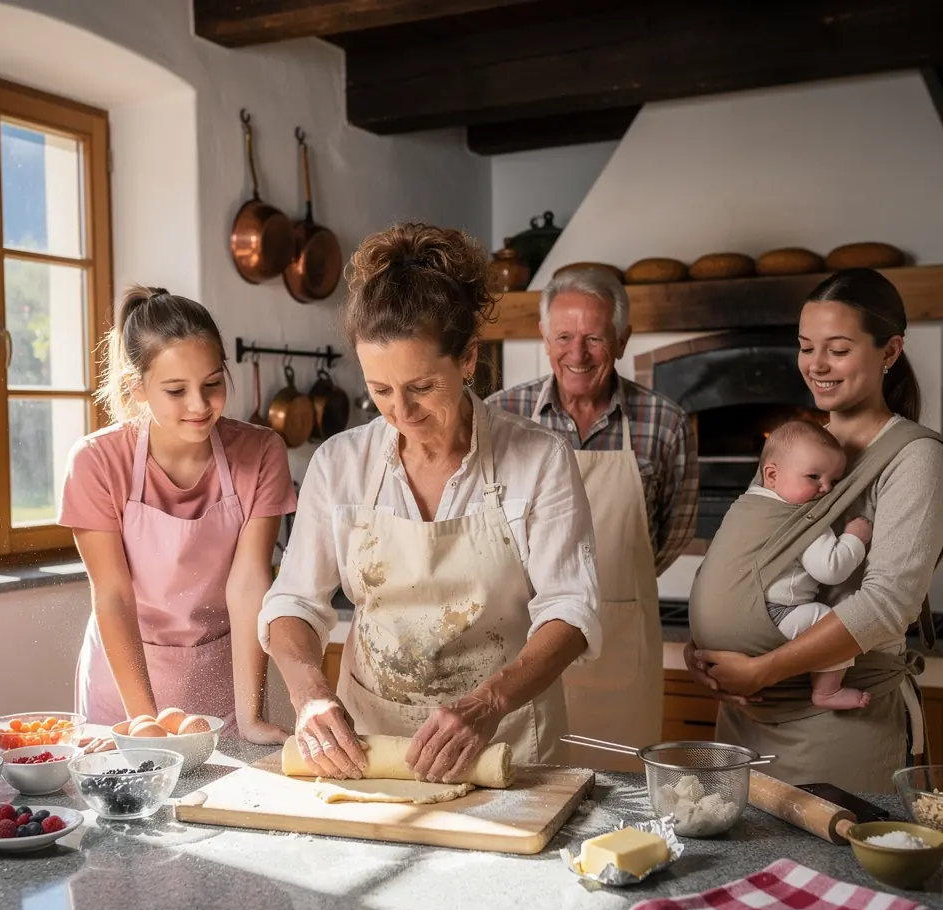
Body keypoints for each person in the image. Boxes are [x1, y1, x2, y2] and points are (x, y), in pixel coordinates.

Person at [259, 223, 601, 782]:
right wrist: (310, 695)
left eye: (421, 387)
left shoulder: (538, 459)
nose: (402, 411)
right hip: (370, 751)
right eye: (381, 391)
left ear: (467, 358)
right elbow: (293, 601)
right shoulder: (340, 464)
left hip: (504, 747)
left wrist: (488, 703)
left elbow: (571, 609)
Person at [685, 268, 943, 791]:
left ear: (889, 353)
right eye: (806, 347)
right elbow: (747, 557)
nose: (816, 365)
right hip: (743, 720)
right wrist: (705, 648)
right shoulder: (797, 448)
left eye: (838, 349)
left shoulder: (914, 457)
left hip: (839, 726)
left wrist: (763, 670)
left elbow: (887, 604)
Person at [59, 286, 296, 744]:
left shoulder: (261, 452)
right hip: (124, 691)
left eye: (213, 384)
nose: (200, 405)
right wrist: (146, 723)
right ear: (137, 387)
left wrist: (249, 718)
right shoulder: (96, 461)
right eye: (176, 390)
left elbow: (249, 585)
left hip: (224, 680)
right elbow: (113, 596)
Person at [488, 265, 698, 770]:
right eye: (563, 336)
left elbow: (674, 532)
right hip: (523, 646)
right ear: (543, 337)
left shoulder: (666, 423)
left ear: (622, 340)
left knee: (618, 795)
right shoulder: (500, 416)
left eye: (594, 338)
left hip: (621, 648)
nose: (576, 354)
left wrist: (616, 588)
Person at [709, 418, 873, 711]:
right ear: (771, 475)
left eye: (833, 481)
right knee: (829, 623)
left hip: (712, 622)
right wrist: (854, 538)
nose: (825, 489)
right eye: (813, 477)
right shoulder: (799, 517)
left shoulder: (745, 506)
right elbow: (831, 568)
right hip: (770, 614)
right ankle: (827, 691)